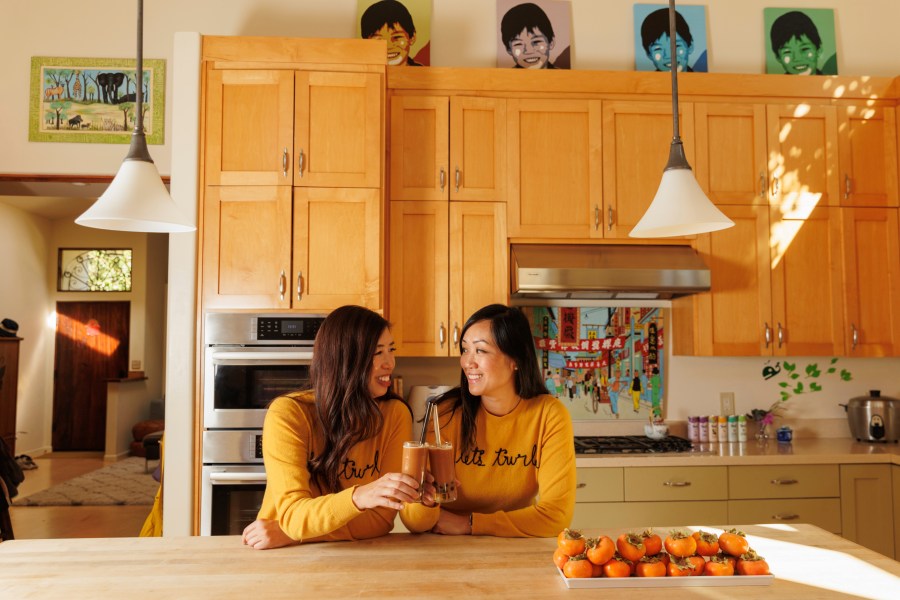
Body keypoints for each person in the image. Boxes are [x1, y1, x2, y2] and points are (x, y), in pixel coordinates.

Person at [241, 305, 428, 549]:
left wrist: (293, 534)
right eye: (377, 352)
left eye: (391, 350)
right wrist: (360, 497)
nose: (390, 362)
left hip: (313, 549)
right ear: (345, 359)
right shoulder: (289, 414)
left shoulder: (395, 414)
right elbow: (293, 516)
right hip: (284, 560)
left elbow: (380, 520)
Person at [404, 304, 576, 537]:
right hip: (445, 547)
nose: (467, 362)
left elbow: (555, 516)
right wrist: (425, 503)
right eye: (465, 350)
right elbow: (414, 522)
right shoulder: (444, 414)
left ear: (515, 359)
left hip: (514, 549)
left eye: (480, 351)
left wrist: (469, 524)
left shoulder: (548, 415)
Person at [360, 0, 423, 66]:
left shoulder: (422, 74)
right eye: (378, 40)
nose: (388, 46)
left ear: (412, 37)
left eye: (396, 37)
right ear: (366, 42)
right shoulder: (360, 74)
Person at [500, 2, 557, 70]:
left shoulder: (565, 77)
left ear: (551, 42)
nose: (529, 50)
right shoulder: (505, 79)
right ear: (508, 49)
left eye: (536, 41)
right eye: (518, 44)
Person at [770, 10, 824, 75]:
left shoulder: (832, 83)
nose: (797, 58)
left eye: (805, 49)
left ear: (819, 49)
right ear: (778, 57)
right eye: (787, 52)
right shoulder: (774, 85)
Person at [640, 7, 694, 72]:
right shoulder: (646, 81)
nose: (669, 55)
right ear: (649, 54)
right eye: (658, 49)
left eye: (676, 46)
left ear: (690, 46)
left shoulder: (702, 81)